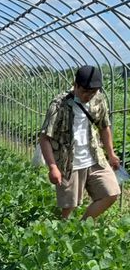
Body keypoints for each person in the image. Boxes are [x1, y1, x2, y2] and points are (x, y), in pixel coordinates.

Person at [39, 65, 120, 219]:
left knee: (111, 193)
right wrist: (53, 167)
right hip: (69, 163)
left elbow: (104, 127)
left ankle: (82, 228)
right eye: (84, 91)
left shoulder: (99, 99)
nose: (88, 96)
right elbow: (44, 138)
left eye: (92, 92)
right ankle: (62, 236)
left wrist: (111, 153)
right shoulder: (59, 104)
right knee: (69, 208)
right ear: (75, 85)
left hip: (95, 159)